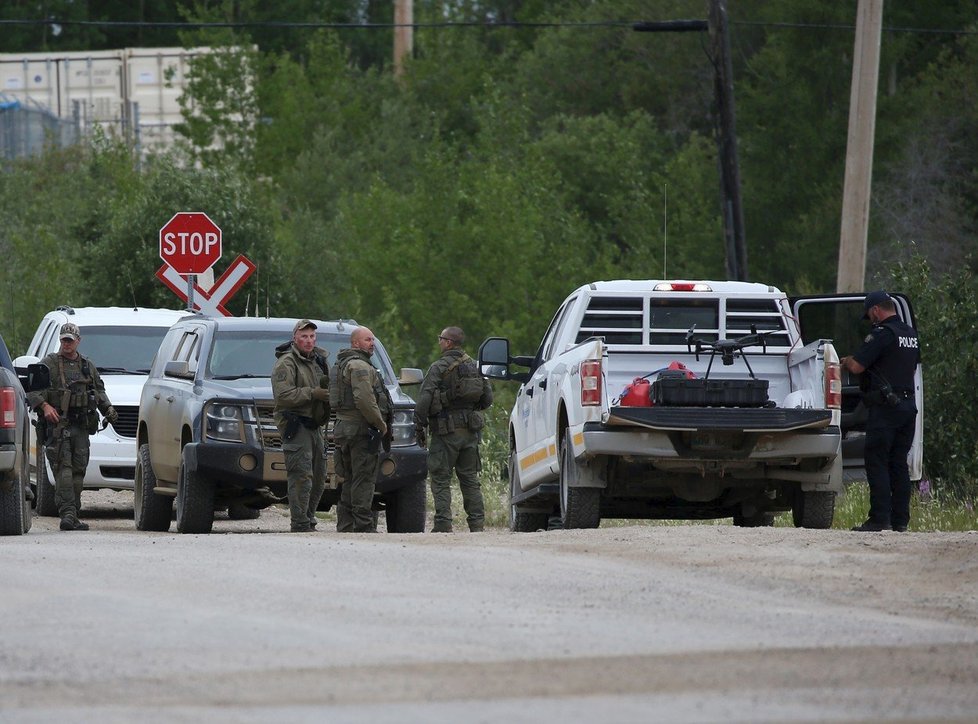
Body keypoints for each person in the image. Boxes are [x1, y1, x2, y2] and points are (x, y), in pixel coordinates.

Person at [841, 291, 921, 533]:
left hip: (886, 409)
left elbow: (857, 366)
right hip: (908, 407)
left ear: (876, 309)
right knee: (898, 464)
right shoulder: (910, 334)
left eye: (870, 314)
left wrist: (844, 361)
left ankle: (879, 519)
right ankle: (900, 521)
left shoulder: (882, 334)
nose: (871, 319)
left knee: (877, 462)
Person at [26, 322, 118, 531]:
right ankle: (67, 513)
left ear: (78, 341)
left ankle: (73, 514)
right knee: (63, 469)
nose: (66, 343)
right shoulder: (48, 364)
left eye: (70, 340)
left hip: (81, 426)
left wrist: (109, 410)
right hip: (58, 426)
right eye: (63, 339)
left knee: (78, 470)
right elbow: (32, 390)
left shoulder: (87, 366)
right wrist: (45, 406)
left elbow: (99, 392)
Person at [414, 326, 493, 533]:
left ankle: (443, 524)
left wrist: (419, 423)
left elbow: (425, 397)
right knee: (469, 478)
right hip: (470, 431)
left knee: (440, 477)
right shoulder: (475, 366)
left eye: (441, 338)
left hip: (445, 431)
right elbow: (487, 399)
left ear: (448, 342)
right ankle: (477, 525)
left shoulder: (439, 367)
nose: (439, 342)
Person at [329, 326, 391, 533]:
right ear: (355, 343)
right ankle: (363, 525)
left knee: (349, 478)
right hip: (360, 429)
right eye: (367, 340)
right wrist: (380, 424)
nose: (371, 343)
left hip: (344, 428)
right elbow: (365, 399)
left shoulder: (341, 364)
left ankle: (345, 525)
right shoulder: (359, 366)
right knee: (363, 477)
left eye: (373, 340)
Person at [272, 319, 331, 533]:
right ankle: (299, 522)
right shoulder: (286, 363)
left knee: (319, 474)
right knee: (301, 475)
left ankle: (309, 517)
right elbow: (283, 395)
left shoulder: (319, 361)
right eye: (304, 336)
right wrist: (312, 394)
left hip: (315, 425)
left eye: (312, 336)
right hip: (296, 426)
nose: (308, 341)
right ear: (295, 338)